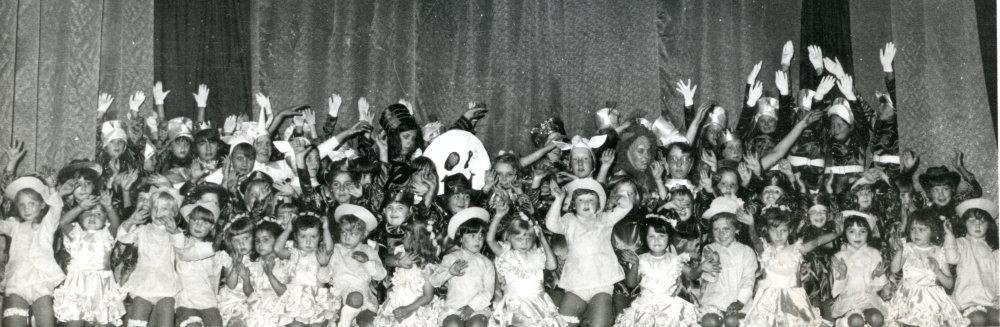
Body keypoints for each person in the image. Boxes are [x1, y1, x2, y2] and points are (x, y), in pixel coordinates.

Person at [546, 178, 632, 327]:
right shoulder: (569, 220)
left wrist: (617, 197)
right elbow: (552, 224)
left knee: (600, 323)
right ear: (573, 204)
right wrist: (559, 199)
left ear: (599, 204)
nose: (586, 204)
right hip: (576, 284)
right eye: (581, 200)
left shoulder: (604, 219)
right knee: (563, 322)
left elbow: (626, 206)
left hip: (602, 283)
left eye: (591, 200)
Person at [53, 188, 125, 327]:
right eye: (88, 213)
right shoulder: (76, 233)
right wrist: (80, 207)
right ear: (80, 217)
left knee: (104, 320)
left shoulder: (107, 234)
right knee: (75, 320)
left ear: (105, 220)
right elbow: (62, 222)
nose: (93, 217)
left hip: (102, 284)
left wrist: (109, 207)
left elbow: (116, 224)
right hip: (77, 284)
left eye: (98, 214)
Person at [884, 209, 969, 327]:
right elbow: (894, 269)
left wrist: (937, 271)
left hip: (931, 301)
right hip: (908, 298)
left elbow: (949, 284)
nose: (915, 233)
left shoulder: (938, 252)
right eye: (913, 229)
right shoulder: (907, 248)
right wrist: (899, 251)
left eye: (921, 229)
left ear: (932, 231)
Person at [1, 177, 66, 327]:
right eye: (22, 205)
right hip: (17, 279)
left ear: (42, 204)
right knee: (12, 320)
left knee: (46, 321)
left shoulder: (47, 225)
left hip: (41, 280)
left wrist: (51, 188)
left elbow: (56, 208)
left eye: (31, 204)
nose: (26, 209)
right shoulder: (15, 226)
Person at [115, 187, 185, 327]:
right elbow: (122, 237)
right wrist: (131, 221)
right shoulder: (142, 230)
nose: (158, 212)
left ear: (174, 213)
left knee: (166, 322)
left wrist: (175, 231)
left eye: (164, 208)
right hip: (143, 282)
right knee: (137, 320)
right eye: (154, 208)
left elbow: (182, 247)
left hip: (167, 285)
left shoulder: (174, 233)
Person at [489, 202, 565, 326]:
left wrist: (542, 238)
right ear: (509, 238)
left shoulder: (538, 255)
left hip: (539, 303)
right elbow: (490, 240)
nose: (524, 243)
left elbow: (552, 266)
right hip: (516, 305)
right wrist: (498, 216)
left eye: (528, 238)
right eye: (519, 239)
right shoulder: (507, 255)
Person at [614, 218, 700, 326]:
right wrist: (635, 265)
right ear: (645, 239)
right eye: (651, 236)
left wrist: (701, 268)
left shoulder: (675, 259)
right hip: (646, 306)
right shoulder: (641, 259)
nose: (656, 240)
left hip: (670, 306)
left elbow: (692, 274)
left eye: (661, 236)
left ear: (669, 238)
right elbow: (631, 284)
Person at [433, 207, 494, 327]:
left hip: (478, 308)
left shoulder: (486, 263)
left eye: (481, 235)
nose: (478, 240)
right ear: (461, 237)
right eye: (472, 235)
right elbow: (435, 281)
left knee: (477, 324)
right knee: (452, 324)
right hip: (454, 307)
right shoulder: (450, 258)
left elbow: (488, 291)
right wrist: (449, 272)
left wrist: (471, 307)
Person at [273, 215, 338, 326]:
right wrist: (288, 229)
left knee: (317, 323)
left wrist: (326, 228)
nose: (308, 241)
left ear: (320, 237)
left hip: (316, 296)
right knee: (295, 324)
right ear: (296, 237)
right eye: (303, 236)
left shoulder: (319, 253)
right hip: (295, 297)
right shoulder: (293, 252)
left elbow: (329, 248)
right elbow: (277, 249)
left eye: (313, 236)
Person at [943, 199, 999, 326]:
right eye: (972, 221)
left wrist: (999, 295)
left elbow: (998, 276)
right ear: (964, 224)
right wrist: (949, 235)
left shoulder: (993, 251)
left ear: (989, 225)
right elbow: (951, 258)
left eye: (982, 221)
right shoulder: (961, 243)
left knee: (999, 318)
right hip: (967, 301)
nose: (977, 225)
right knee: (979, 319)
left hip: (988, 300)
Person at [830, 216, 888, 327]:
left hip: (869, 300)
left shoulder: (874, 253)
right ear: (845, 233)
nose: (857, 235)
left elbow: (877, 287)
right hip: (849, 302)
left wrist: (876, 275)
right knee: (856, 321)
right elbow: (837, 291)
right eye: (852, 231)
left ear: (868, 233)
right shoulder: (840, 257)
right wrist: (842, 275)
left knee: (877, 319)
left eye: (862, 231)